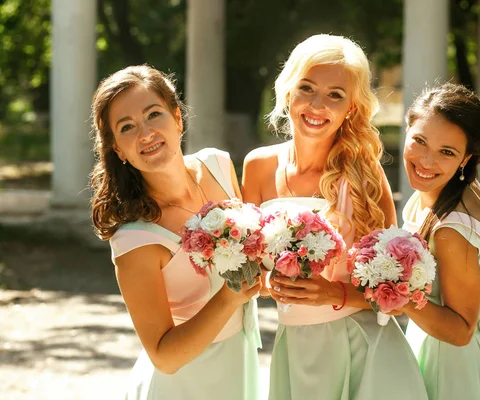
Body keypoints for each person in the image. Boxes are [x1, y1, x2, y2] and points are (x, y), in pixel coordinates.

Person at [242, 34, 427, 400]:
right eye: (306, 88)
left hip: (358, 347)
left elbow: (397, 288)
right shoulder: (258, 166)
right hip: (293, 344)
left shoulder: (364, 174)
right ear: (288, 92)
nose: (316, 105)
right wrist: (270, 281)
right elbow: (252, 271)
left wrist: (332, 292)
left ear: (352, 109)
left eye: (335, 95)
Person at [89, 65, 261, 399]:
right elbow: (164, 358)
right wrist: (229, 297)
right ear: (119, 151)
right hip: (181, 386)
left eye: (154, 114)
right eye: (127, 127)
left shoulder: (219, 165)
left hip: (239, 367)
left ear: (178, 118)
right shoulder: (135, 238)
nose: (145, 133)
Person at [394, 82, 480, 399]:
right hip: (430, 349)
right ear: (407, 131)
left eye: (447, 152)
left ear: (465, 159)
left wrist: (394, 293)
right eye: (419, 141)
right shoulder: (448, 191)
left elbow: (460, 330)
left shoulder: (450, 231)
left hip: (452, 374)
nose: (426, 161)